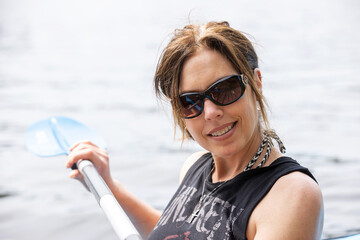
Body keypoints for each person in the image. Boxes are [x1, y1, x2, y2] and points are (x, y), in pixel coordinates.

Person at [66, 21, 324, 240]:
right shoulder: (195, 167)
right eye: (190, 102)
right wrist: (109, 185)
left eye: (225, 89)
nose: (210, 112)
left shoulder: (291, 194)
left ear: (256, 81)